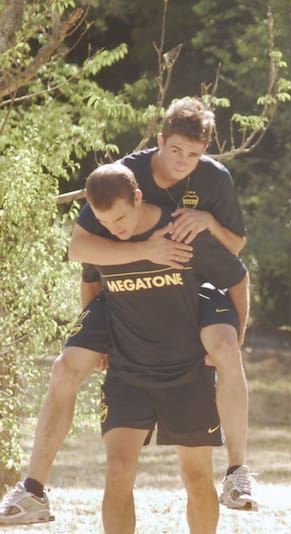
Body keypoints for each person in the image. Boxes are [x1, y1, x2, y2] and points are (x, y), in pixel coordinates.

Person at [0, 98, 255, 526]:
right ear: (159, 141)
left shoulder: (210, 182)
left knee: (224, 357)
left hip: (190, 290)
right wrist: (98, 332)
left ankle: (238, 471)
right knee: (65, 367)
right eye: (175, 151)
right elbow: (82, 252)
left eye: (193, 154)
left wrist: (207, 221)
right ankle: (33, 489)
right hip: (118, 299)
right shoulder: (118, 180)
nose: (183, 163)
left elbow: (236, 257)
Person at [85, 164, 246, 532]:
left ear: (138, 198)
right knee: (117, 470)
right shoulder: (102, 237)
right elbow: (90, 282)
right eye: (106, 222)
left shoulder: (181, 229)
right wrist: (96, 337)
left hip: (186, 371)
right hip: (128, 370)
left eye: (121, 218)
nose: (115, 228)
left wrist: (236, 338)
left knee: (196, 476)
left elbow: (236, 276)